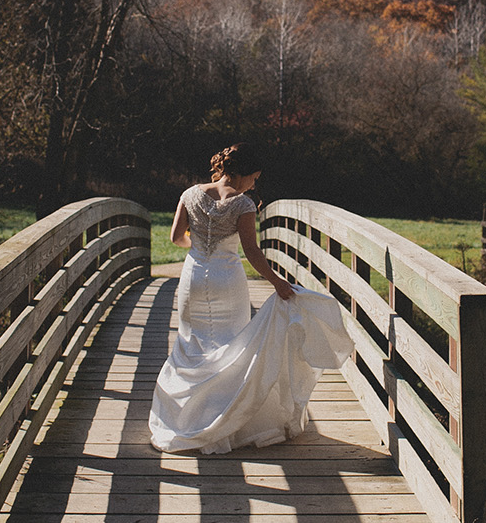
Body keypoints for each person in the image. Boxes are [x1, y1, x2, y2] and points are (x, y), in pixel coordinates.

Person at [148, 143, 352, 454]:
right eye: (253, 178)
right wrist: (277, 283)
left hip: (193, 277)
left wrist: (200, 246)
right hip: (227, 280)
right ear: (241, 174)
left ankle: (189, 419)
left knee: (192, 344)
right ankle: (226, 420)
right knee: (231, 346)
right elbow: (252, 252)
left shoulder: (190, 194)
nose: (254, 184)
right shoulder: (242, 205)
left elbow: (176, 237)